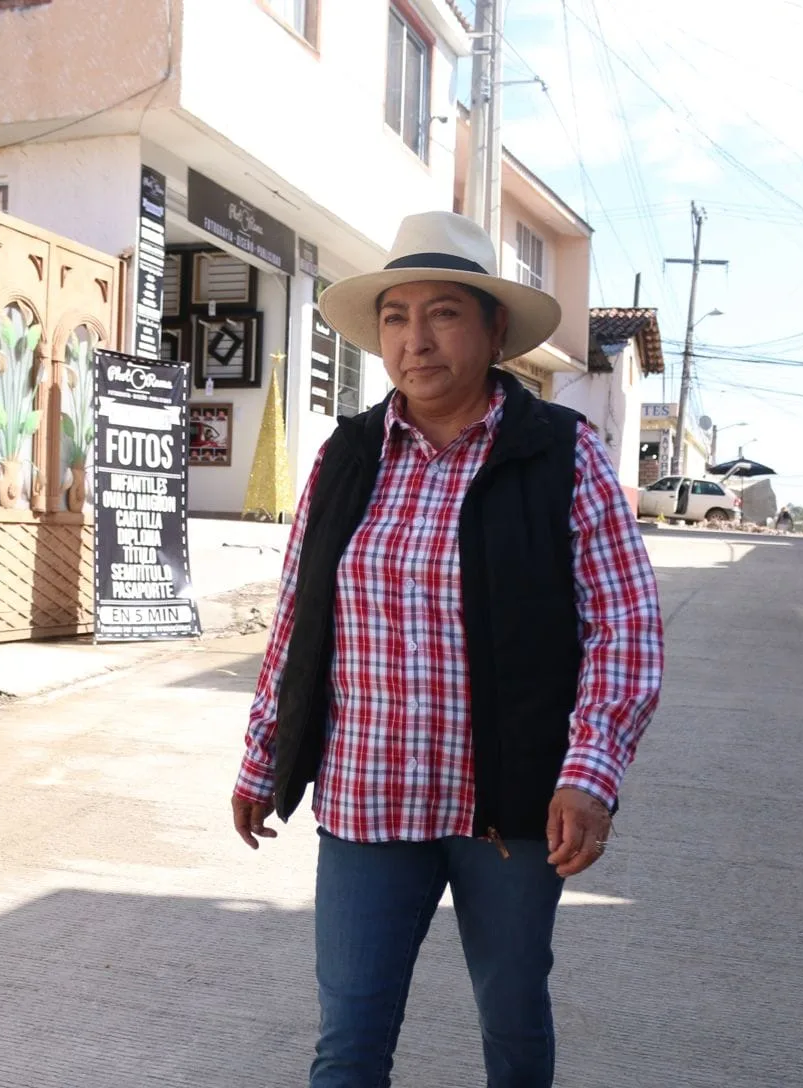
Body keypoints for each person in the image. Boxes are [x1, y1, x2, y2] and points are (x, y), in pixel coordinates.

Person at [231, 211, 664, 1087]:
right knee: (347, 1043)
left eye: (443, 314)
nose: (414, 340)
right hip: (367, 797)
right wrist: (262, 756)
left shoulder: (561, 456)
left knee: (511, 1022)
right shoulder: (347, 458)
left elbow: (624, 625)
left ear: (493, 328)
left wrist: (590, 773)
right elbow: (299, 623)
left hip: (508, 810)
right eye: (396, 316)